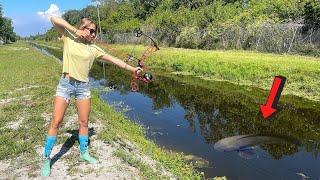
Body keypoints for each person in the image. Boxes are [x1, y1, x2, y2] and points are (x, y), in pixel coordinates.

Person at [40, 16, 142, 177]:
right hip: (66, 85)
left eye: (96, 32)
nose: (94, 35)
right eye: (91, 31)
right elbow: (53, 19)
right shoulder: (69, 36)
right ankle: (46, 158)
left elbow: (115, 60)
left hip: (83, 87)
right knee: (56, 121)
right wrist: (75, 30)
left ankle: (84, 153)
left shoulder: (94, 48)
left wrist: (132, 69)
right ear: (83, 28)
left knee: (84, 122)